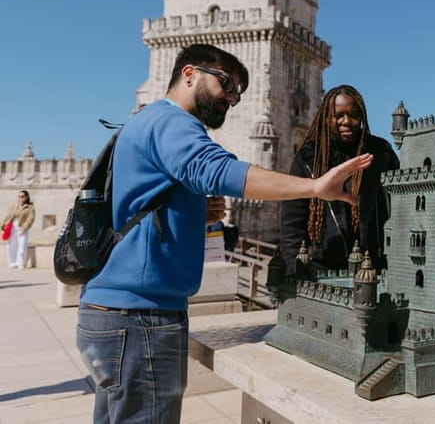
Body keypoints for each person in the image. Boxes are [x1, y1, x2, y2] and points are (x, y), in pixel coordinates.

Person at [76, 44, 373, 424]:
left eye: (238, 93)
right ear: (189, 74)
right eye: (226, 84)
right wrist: (314, 187)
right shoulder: (172, 122)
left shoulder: (142, 122)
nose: (232, 99)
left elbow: (135, 207)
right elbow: (217, 170)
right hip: (139, 318)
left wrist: (190, 216)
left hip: (112, 314)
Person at [280, 85, 399, 274]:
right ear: (327, 117)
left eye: (353, 114)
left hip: (374, 266)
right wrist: (294, 268)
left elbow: (400, 206)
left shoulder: (380, 153)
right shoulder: (309, 157)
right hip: (321, 267)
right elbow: (292, 220)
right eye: (338, 115)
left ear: (361, 117)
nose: (346, 121)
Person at [2, 190, 35, 269]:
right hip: (12, 226)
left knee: (22, 245)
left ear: (27, 197)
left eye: (22, 196)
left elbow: (30, 219)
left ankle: (21, 263)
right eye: (19, 196)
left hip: (22, 227)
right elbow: (8, 215)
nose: (21, 198)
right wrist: (3, 225)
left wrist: (24, 228)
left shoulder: (30, 207)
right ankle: (12, 262)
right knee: (11, 245)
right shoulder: (15, 206)